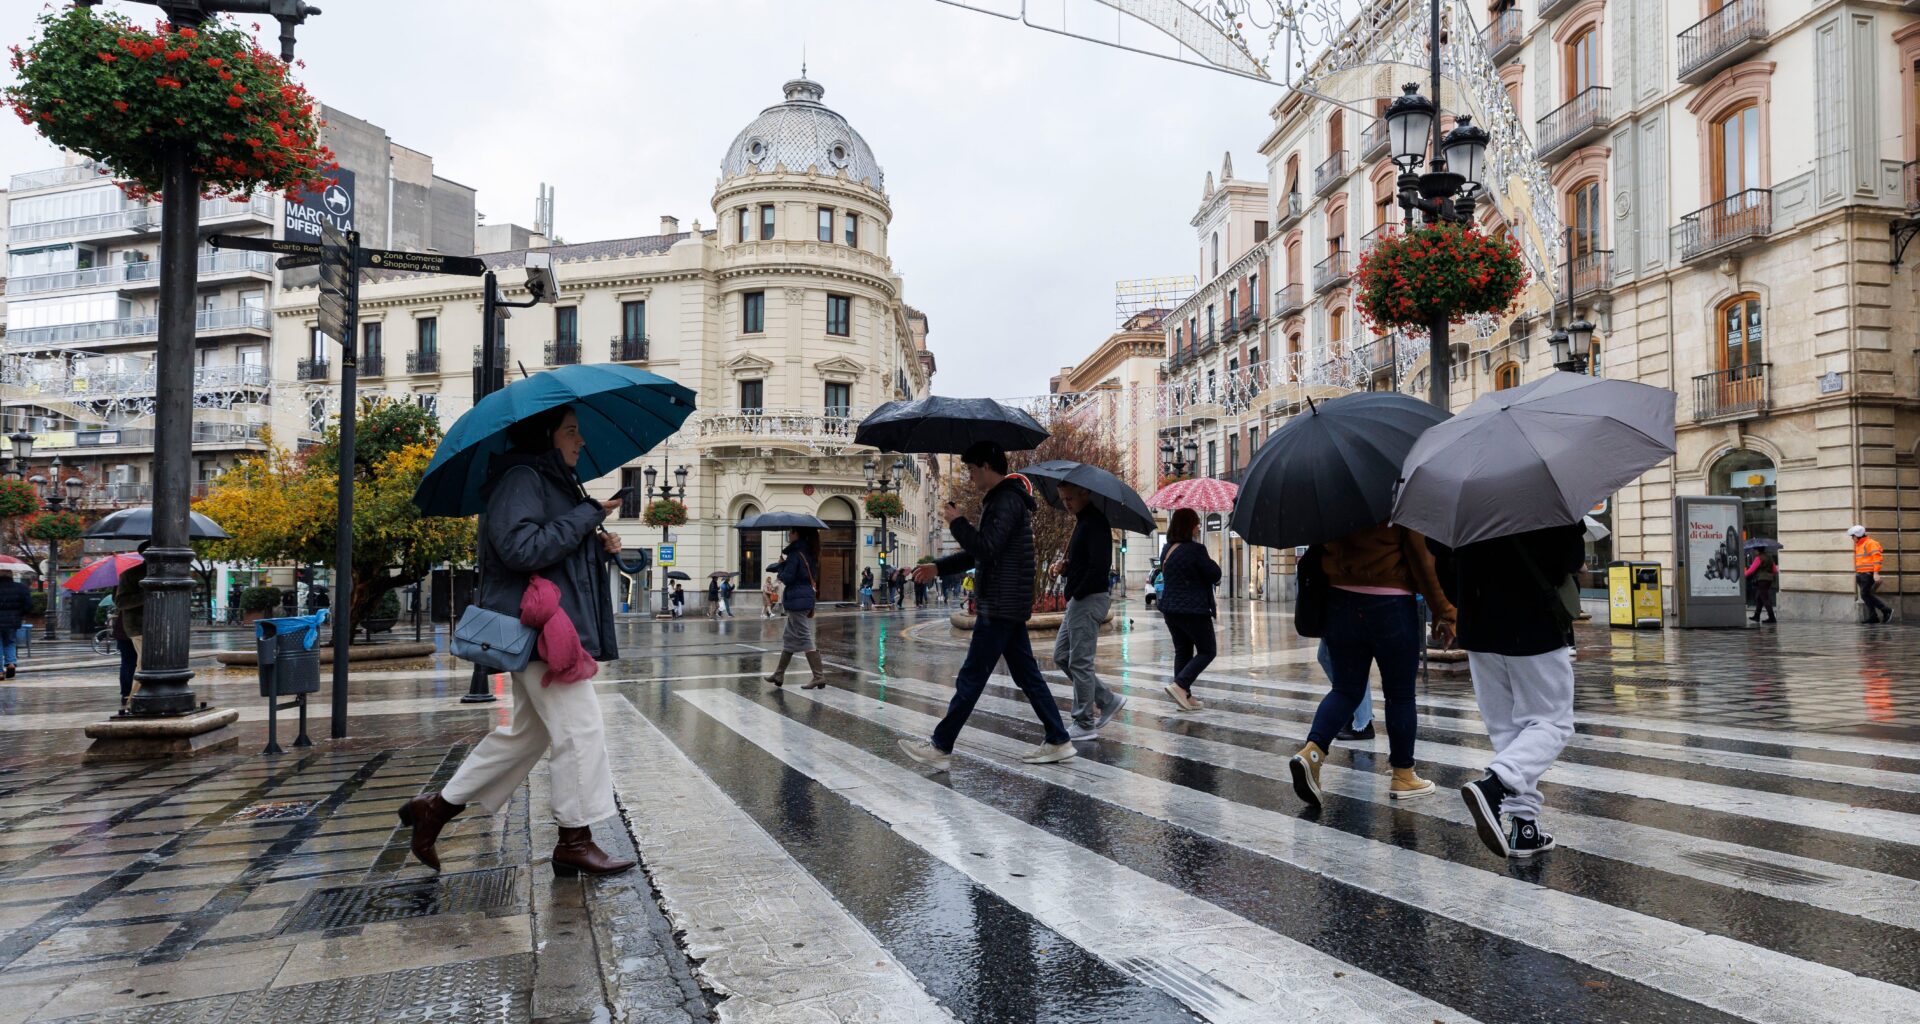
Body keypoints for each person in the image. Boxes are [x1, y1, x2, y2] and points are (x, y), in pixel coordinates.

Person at [397, 405, 634, 877]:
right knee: (581, 730)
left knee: (527, 735)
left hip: (551, 627)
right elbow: (521, 550)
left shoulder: (551, 484)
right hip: (542, 629)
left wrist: (600, 544)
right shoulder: (521, 478)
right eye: (571, 432)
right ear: (546, 436)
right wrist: (586, 515)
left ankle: (437, 808)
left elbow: (553, 553)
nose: (580, 442)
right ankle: (574, 838)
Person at [899, 442, 1075, 772]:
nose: (970, 475)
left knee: (972, 677)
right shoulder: (1003, 499)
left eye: (972, 469)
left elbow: (987, 548)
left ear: (985, 466)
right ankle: (1058, 738)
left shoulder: (1006, 500)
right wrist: (940, 567)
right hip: (1005, 602)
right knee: (1027, 676)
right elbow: (981, 550)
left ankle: (940, 746)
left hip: (1000, 603)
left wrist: (957, 522)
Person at [1288, 522, 1456, 807]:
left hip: (1340, 602)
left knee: (1345, 690)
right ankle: (1403, 775)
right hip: (1390, 604)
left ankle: (1312, 752)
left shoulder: (1333, 497)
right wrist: (1445, 611)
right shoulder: (1394, 494)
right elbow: (1420, 557)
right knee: (1400, 694)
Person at [1452, 522, 1584, 859]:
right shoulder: (1541, 494)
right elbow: (1570, 557)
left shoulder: (1460, 496)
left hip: (1478, 623)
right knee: (1552, 723)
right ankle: (1494, 785)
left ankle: (1525, 827)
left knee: (1507, 730)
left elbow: (1441, 559)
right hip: (1532, 619)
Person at [1052, 482, 1125, 740]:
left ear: (1085, 493)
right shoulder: (1082, 522)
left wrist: (1076, 591)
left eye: (1070, 498)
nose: (1066, 503)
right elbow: (1084, 564)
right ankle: (1107, 699)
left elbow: (1098, 566)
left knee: (1080, 662)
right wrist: (1067, 568)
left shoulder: (1095, 523)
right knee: (1061, 655)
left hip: (1088, 599)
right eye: (1063, 499)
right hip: (1080, 599)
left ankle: (1084, 723)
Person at [1156, 508, 1220, 711]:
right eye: (1196, 523)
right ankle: (1181, 685)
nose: (1198, 526)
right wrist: (1209, 561)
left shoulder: (1167, 549)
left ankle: (1184, 696)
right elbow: (1214, 574)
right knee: (1207, 650)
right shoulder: (1196, 550)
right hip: (1193, 610)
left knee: (1182, 651)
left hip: (1170, 610)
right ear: (1189, 525)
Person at [766, 528, 830, 688]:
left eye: (791, 532)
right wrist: (783, 565)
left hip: (797, 599)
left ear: (797, 535)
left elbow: (788, 577)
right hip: (804, 597)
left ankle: (818, 676)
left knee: (803, 636)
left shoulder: (795, 554)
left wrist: (781, 568)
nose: (788, 534)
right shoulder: (808, 552)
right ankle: (779, 674)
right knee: (789, 637)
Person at [114, 542, 150, 686]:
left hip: (157, 626)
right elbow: (121, 602)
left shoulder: (168, 573)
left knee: (142, 663)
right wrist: (146, 596)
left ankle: (131, 695)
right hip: (137, 627)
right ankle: (132, 697)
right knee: (141, 663)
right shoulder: (130, 574)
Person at [1851, 525, 1890, 623]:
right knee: (1865, 595)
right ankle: (1873, 617)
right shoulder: (1859, 545)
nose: (1852, 538)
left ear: (1857, 535)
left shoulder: (1871, 543)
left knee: (1865, 595)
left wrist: (1875, 573)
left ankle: (1886, 610)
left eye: (1852, 536)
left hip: (1868, 574)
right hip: (1861, 574)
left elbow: (1877, 559)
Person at [0, 570, 28, 679]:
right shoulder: (20, 587)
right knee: (10, 642)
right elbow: (28, 605)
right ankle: (11, 663)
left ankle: (0, 672)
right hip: (13, 620)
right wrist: (20, 614)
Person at [1745, 546, 1779, 624]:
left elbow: (1751, 570)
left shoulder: (1758, 558)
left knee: (1765, 598)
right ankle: (1757, 616)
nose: (1754, 552)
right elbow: (1774, 570)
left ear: (1758, 550)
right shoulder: (1769, 557)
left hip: (1762, 580)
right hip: (1769, 579)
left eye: (1754, 550)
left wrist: (1744, 575)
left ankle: (1772, 617)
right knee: (1759, 597)